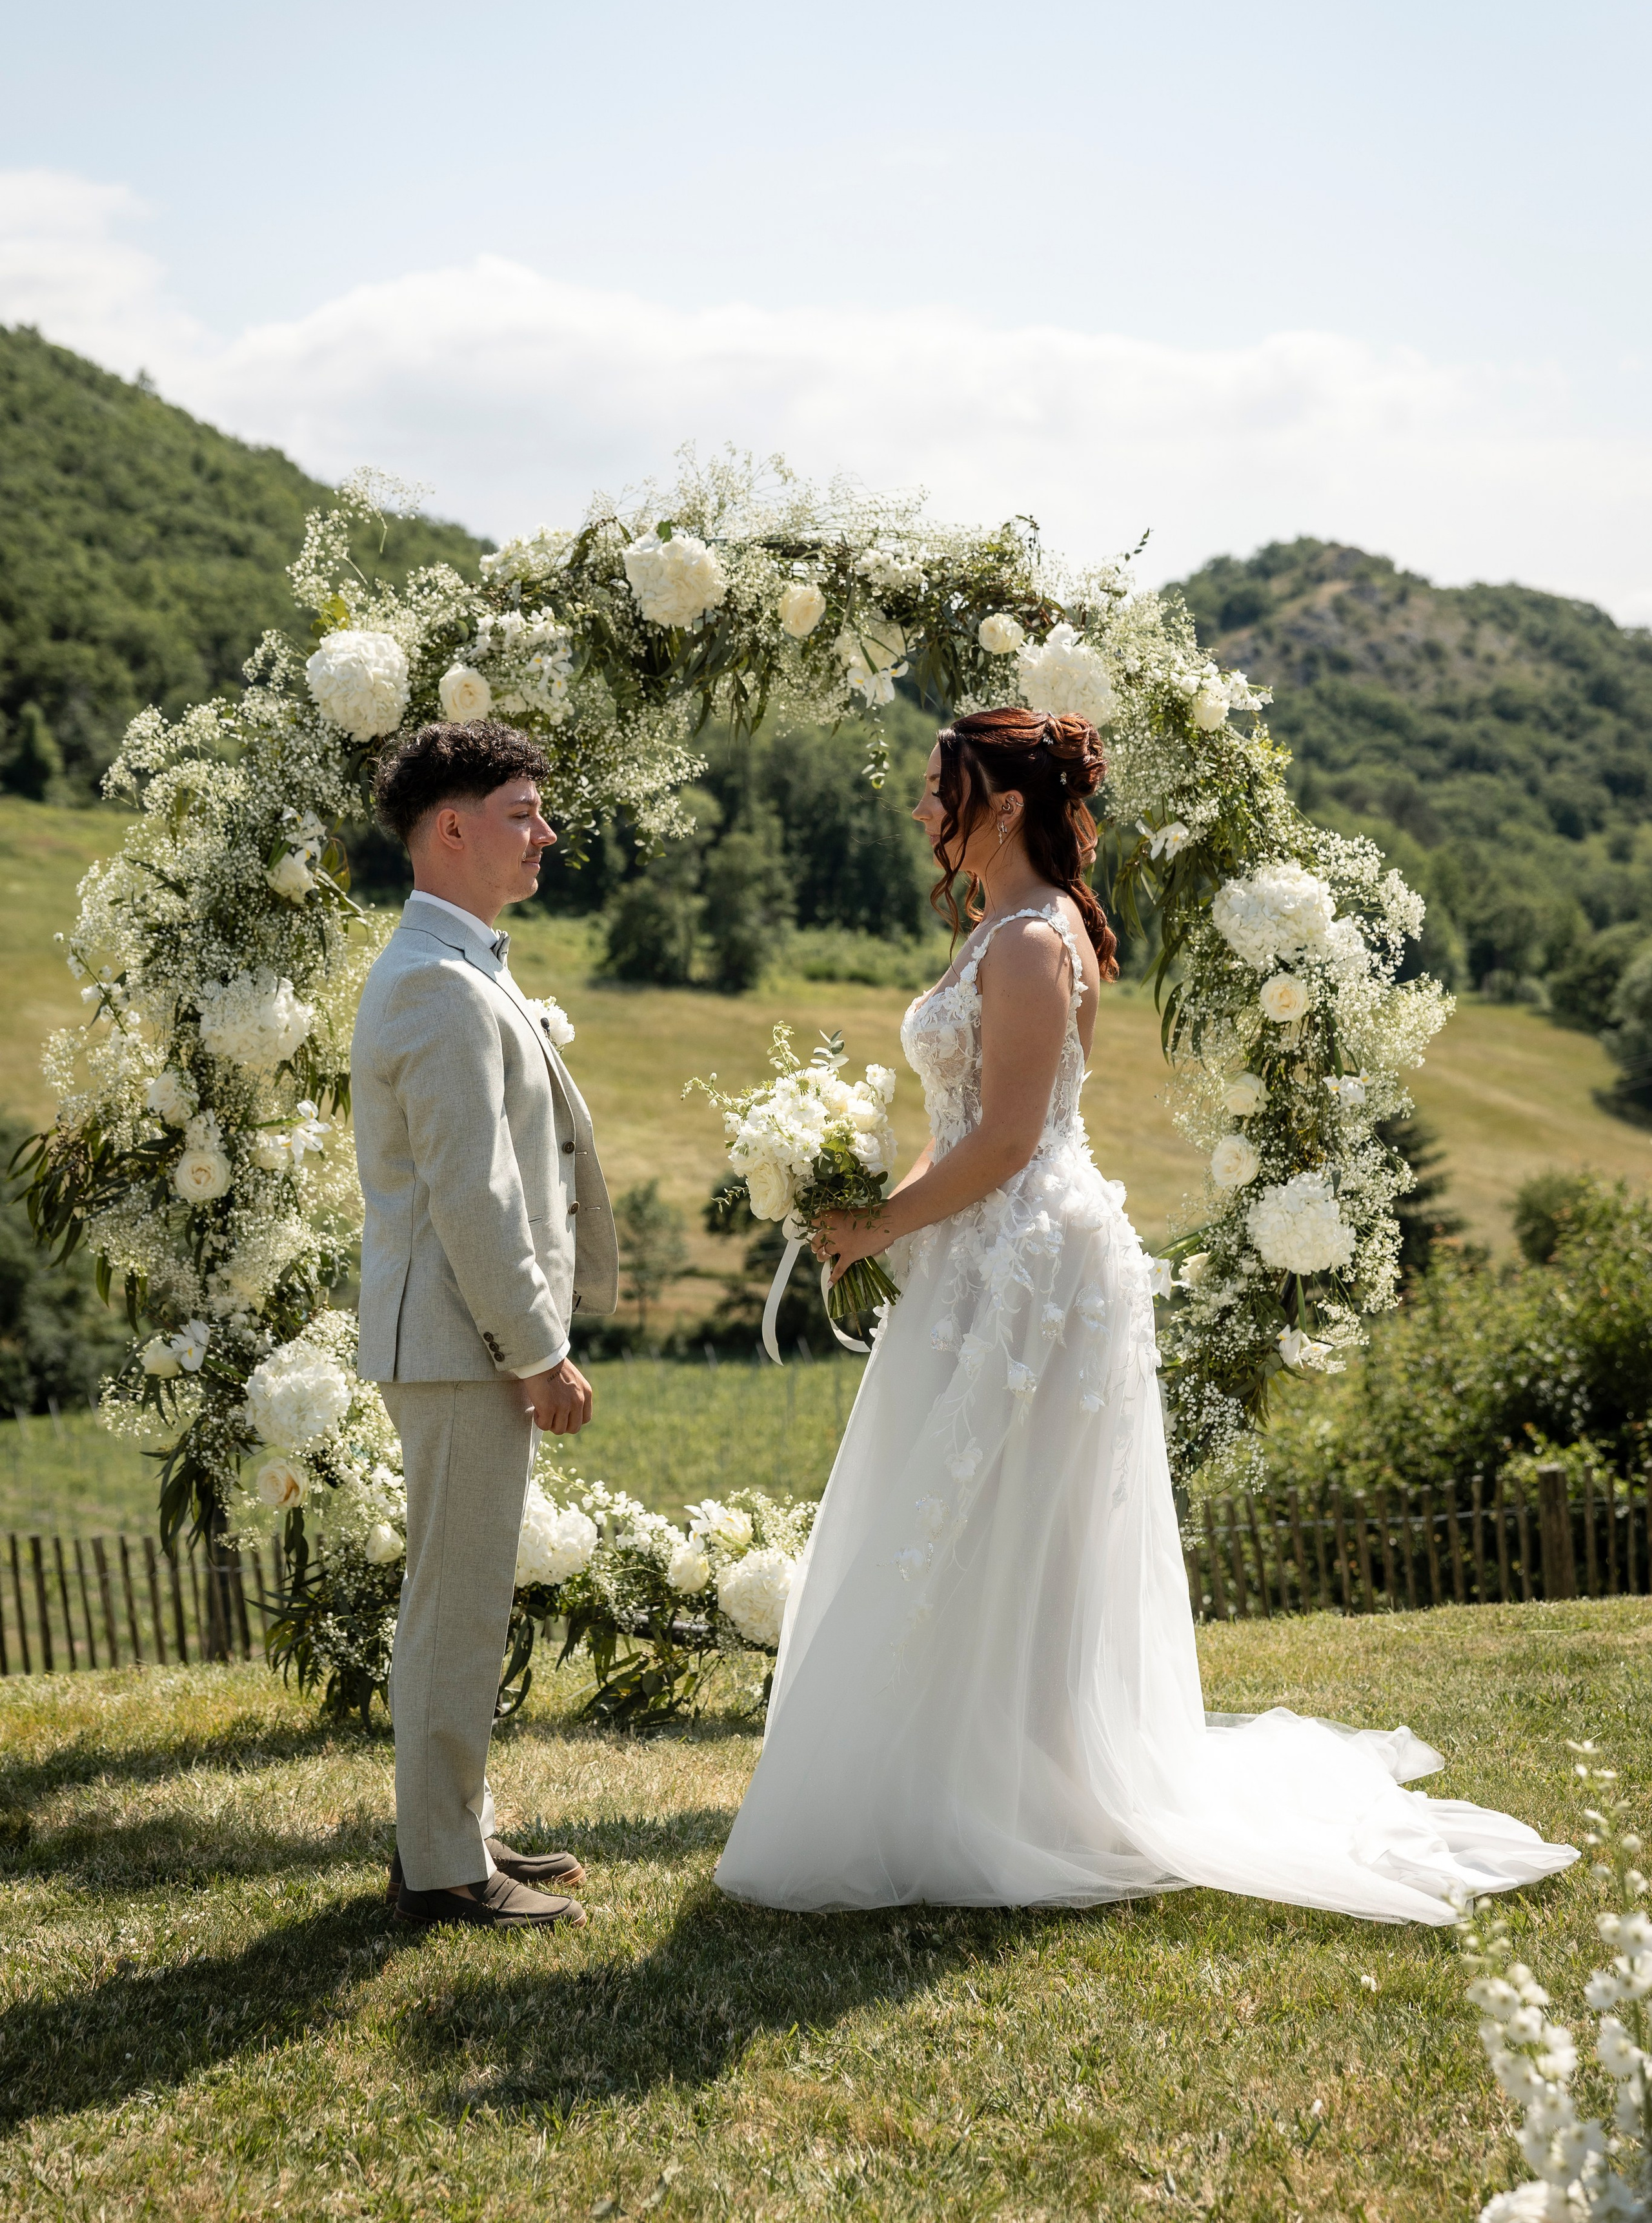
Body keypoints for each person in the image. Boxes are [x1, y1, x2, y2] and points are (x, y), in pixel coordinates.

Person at [714, 705, 1575, 1919]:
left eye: (940, 787)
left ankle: (1023, 1794)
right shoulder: (1007, 926)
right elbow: (974, 1129)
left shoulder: (1029, 940)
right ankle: (962, 1774)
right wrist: (874, 1209)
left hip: (1027, 1258)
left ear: (1004, 805)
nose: (922, 806)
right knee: (967, 1508)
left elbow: (1011, 1139)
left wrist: (883, 1223)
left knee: (1012, 1514)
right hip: (980, 1251)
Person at [352, 721, 618, 1929]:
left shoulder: (458, 965)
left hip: (460, 1341)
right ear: (451, 829)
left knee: (461, 1598)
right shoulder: (435, 982)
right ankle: (444, 1871)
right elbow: (475, 1197)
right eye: (522, 813)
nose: (545, 833)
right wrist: (538, 1351)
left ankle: (449, 1831)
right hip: (462, 1343)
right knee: (454, 1607)